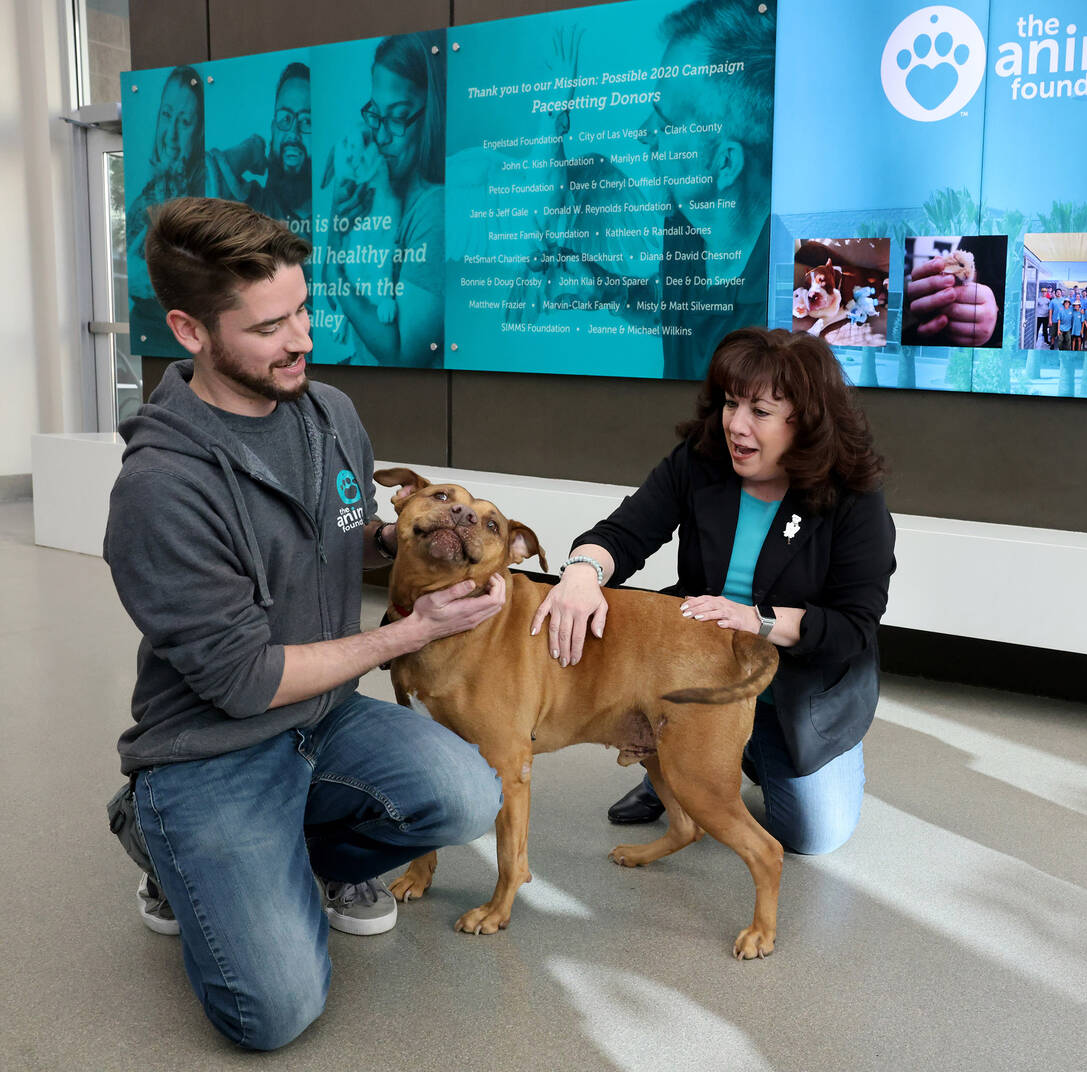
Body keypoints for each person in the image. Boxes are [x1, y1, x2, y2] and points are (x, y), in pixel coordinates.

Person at [103, 197, 505, 1051]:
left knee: (470, 793)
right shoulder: (162, 489)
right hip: (211, 747)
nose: (302, 340)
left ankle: (295, 859)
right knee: (273, 1015)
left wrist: (406, 540)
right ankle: (154, 831)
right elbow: (244, 680)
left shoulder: (330, 416)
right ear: (190, 330)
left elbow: (342, 532)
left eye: (305, 310)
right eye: (269, 326)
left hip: (323, 717)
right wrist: (409, 632)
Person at [531, 327, 896, 854]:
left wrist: (757, 619)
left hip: (794, 690)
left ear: (808, 421)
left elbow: (852, 628)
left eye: (760, 412)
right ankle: (681, 757)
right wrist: (582, 572)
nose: (736, 426)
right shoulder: (701, 461)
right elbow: (625, 533)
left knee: (811, 836)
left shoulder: (854, 498)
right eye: (730, 404)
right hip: (696, 666)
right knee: (690, 754)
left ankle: (723, 759)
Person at [546, 0, 775, 380]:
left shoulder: (782, 307)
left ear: (725, 163)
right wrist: (612, 291)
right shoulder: (685, 228)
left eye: (665, 122)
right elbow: (671, 307)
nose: (642, 133)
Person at [324, 32, 445, 367]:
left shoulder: (434, 209)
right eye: (376, 114)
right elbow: (334, 299)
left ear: (430, 112)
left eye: (398, 117)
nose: (381, 135)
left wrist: (336, 275)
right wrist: (337, 221)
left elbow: (403, 354)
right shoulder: (375, 185)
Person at [127, 66, 206, 352]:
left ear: (200, 133)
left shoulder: (212, 196)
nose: (170, 134)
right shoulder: (143, 200)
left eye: (184, 121)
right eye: (166, 115)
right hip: (152, 336)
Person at [207, 62, 313, 241]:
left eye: (306, 121)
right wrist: (252, 148)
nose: (293, 133)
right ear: (273, 129)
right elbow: (209, 179)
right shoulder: (256, 205)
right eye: (285, 118)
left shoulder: (337, 212)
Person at [901, 236, 1003, 348]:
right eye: (962, 266)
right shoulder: (974, 242)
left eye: (972, 267)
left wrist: (996, 319)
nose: (968, 273)